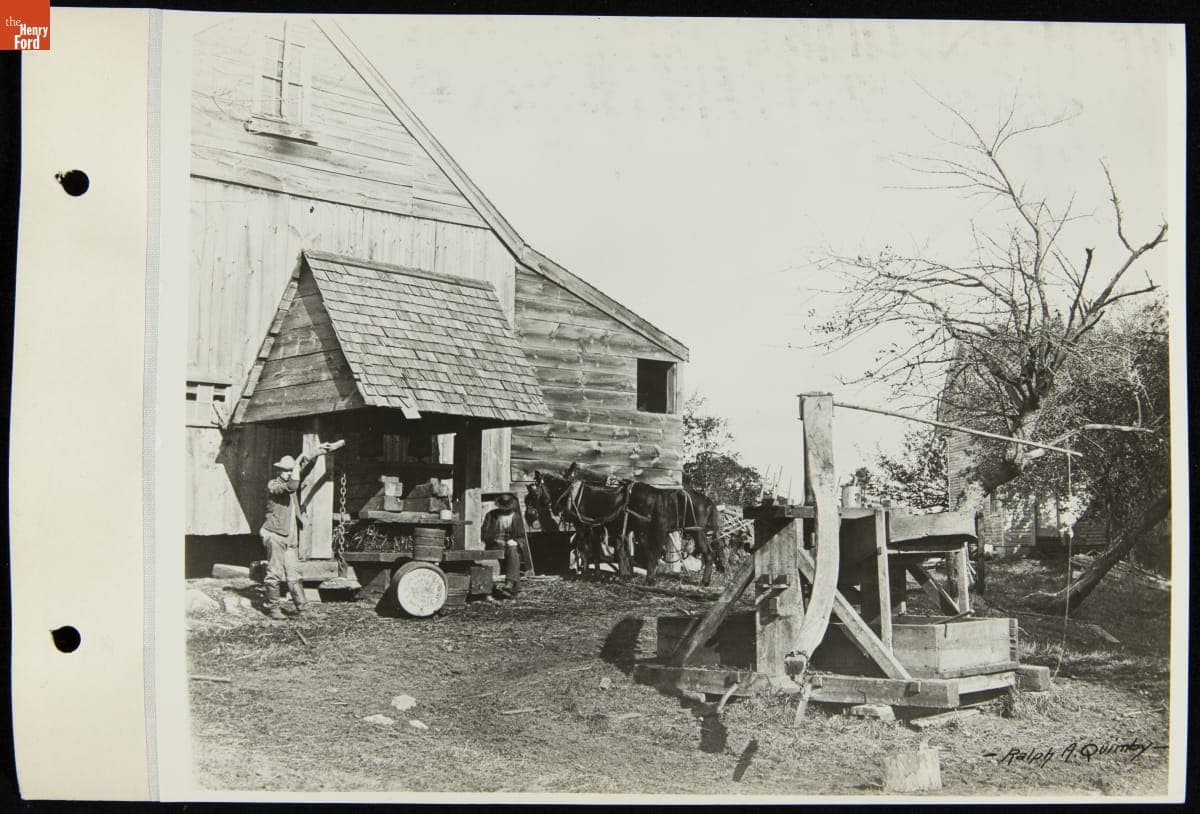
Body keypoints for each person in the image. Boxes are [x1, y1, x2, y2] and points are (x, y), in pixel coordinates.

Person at [260, 443, 334, 619]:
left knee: (294, 574)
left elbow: (303, 466)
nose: (287, 473)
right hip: (275, 535)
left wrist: (318, 450)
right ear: (279, 471)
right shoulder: (274, 485)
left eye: (289, 470)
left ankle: (304, 610)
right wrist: (297, 465)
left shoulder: (291, 480)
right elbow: (292, 485)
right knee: (274, 573)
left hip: (290, 538)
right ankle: (273, 608)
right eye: (285, 470)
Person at [480, 493, 526, 599]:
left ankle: (510, 583)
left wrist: (515, 541)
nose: (505, 510)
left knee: (513, 550)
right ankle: (515, 587)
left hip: (510, 546)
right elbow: (483, 534)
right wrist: (495, 540)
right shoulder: (491, 515)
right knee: (513, 554)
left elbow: (522, 536)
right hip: (495, 546)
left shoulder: (516, 517)